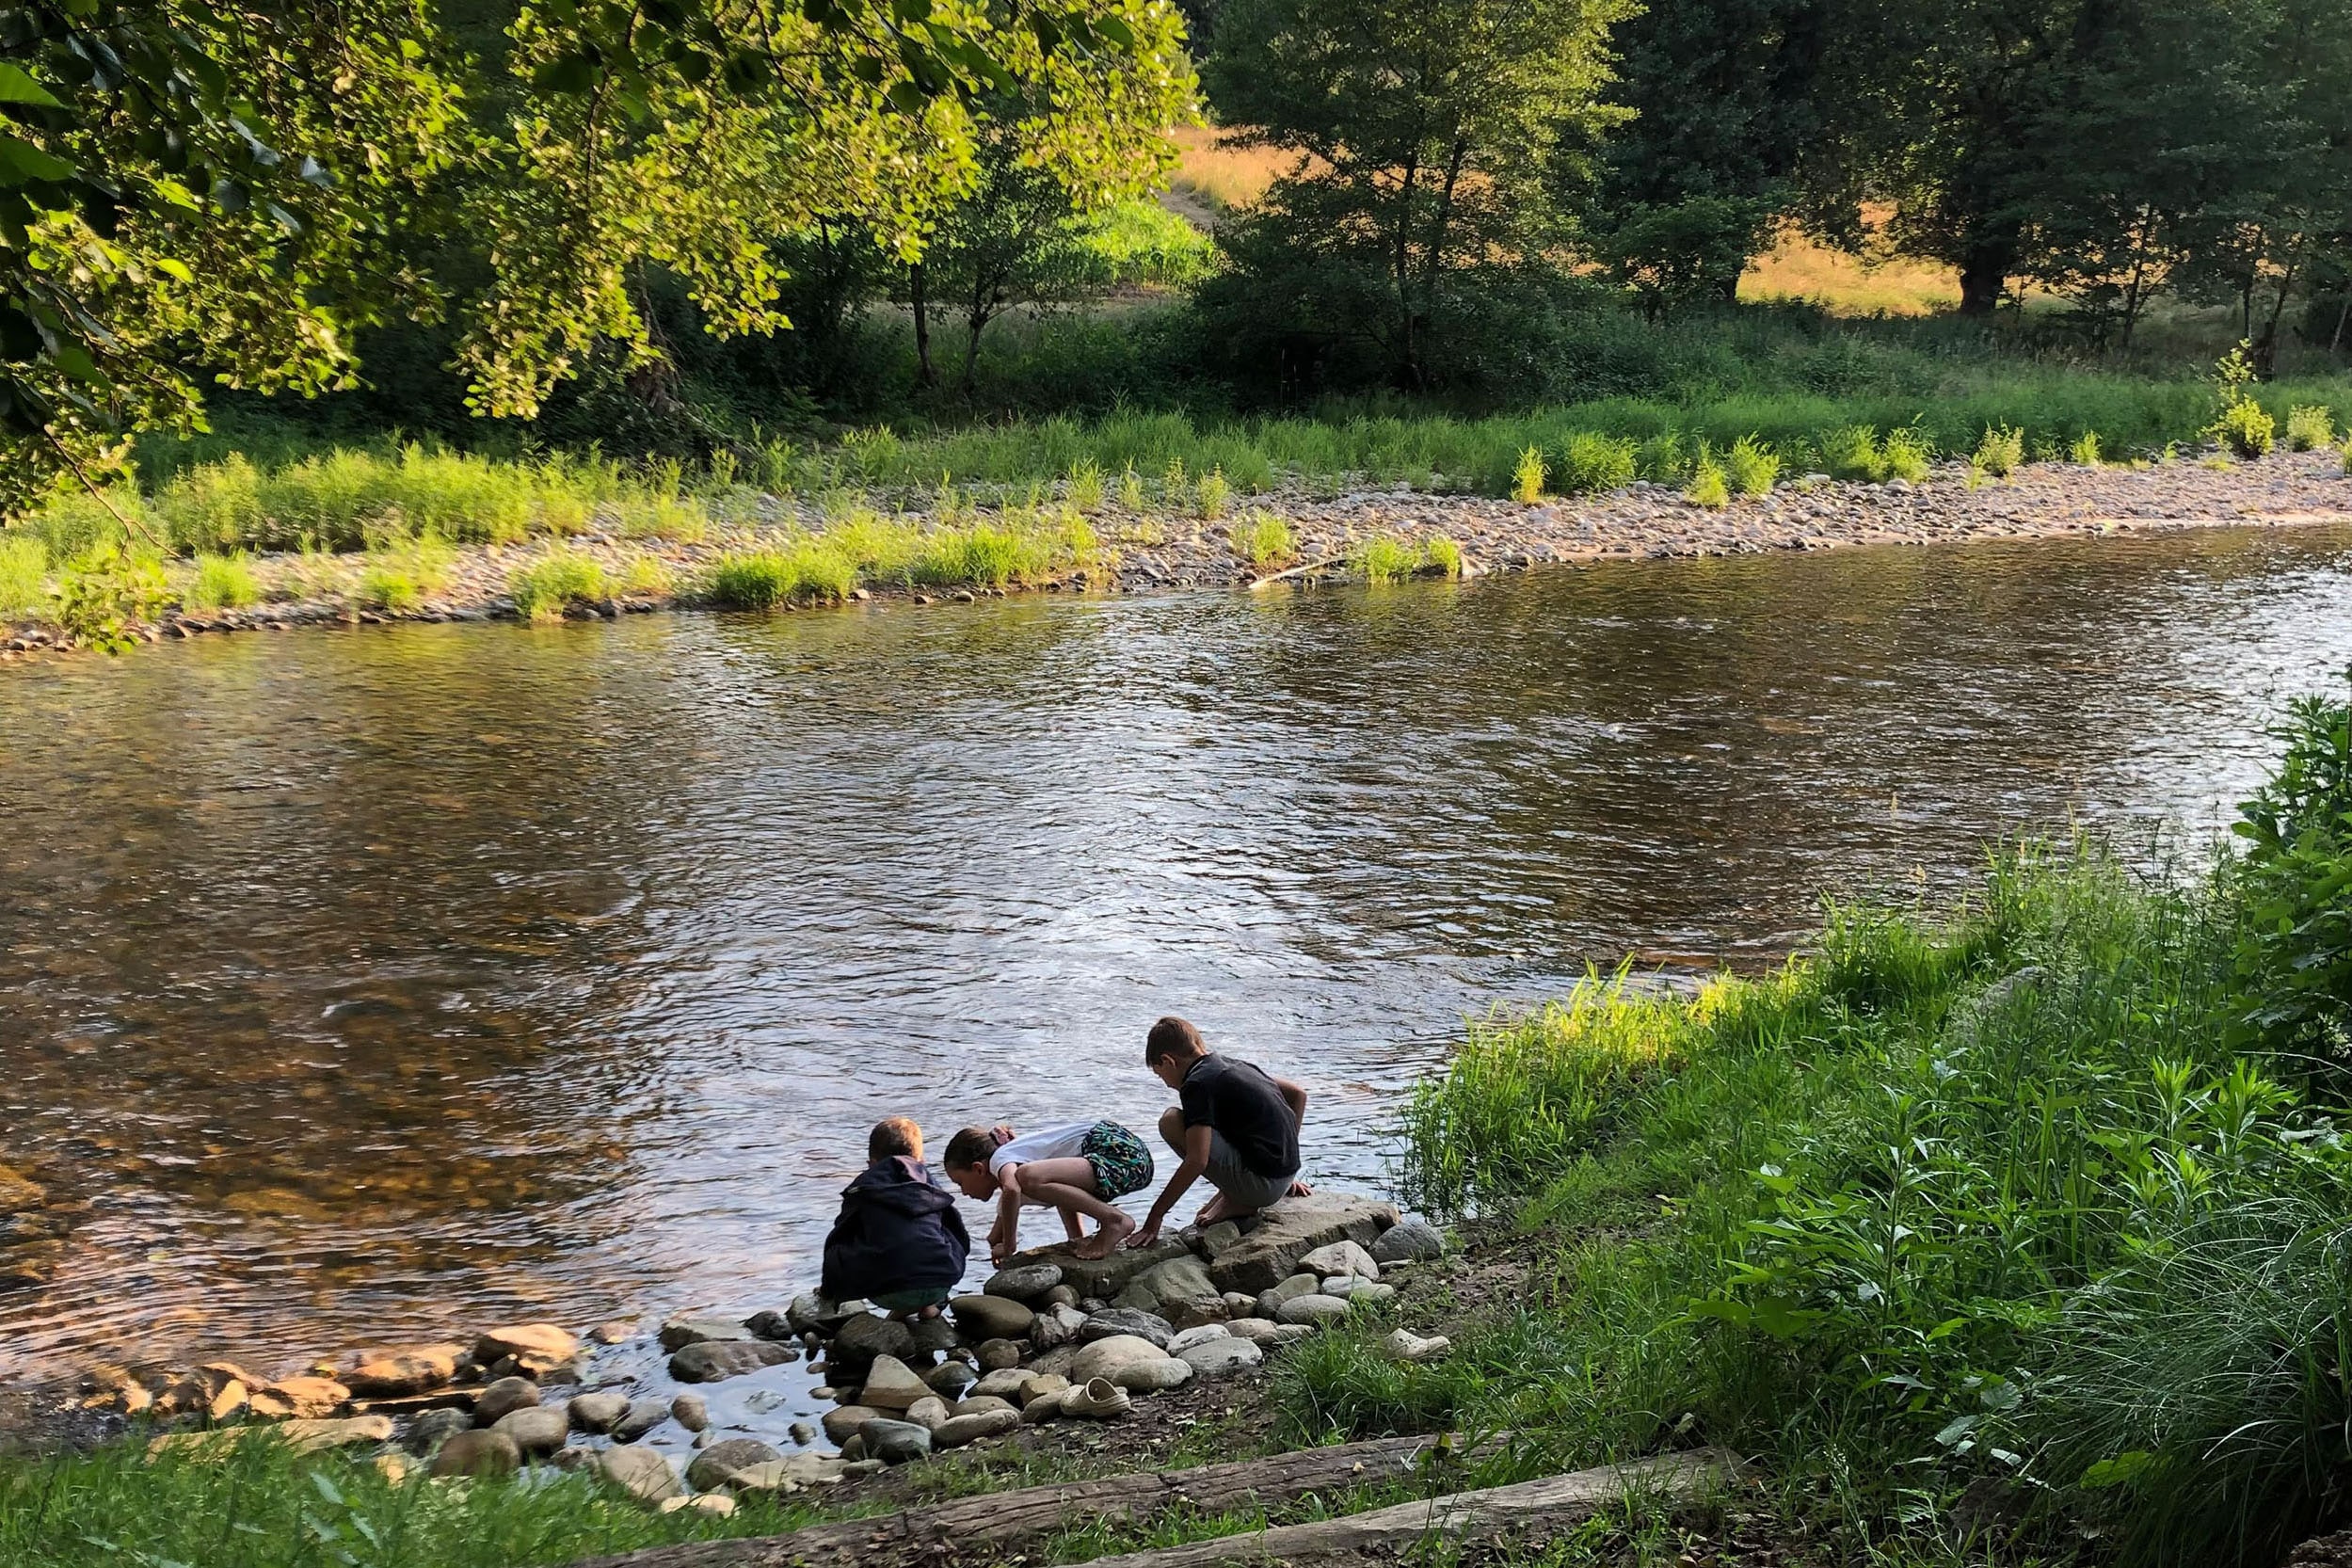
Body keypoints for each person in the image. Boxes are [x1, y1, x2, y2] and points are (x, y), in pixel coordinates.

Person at [1130, 1016, 1310, 1249]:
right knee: (1210, 1127)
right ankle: (1236, 1193)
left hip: (1263, 1189)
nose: (1165, 1083)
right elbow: (1297, 1095)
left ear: (1168, 1061)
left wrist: (1155, 1217)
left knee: (1170, 1121)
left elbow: (1197, 1161)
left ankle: (1239, 1200)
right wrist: (1284, 1162)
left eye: (1159, 1074)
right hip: (1284, 1174)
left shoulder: (1196, 1084)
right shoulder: (1234, 1066)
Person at [941, 1118, 1155, 1264]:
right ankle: (1078, 1237)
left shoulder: (1000, 1159)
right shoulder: (1022, 1161)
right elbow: (1063, 1196)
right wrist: (1076, 1240)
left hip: (1118, 1153)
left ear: (978, 1169)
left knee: (1027, 1176)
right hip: (1134, 1161)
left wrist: (1008, 1246)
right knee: (1037, 1180)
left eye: (960, 1182)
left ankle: (1116, 1221)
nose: (963, 1193)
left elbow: (1012, 1191)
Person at [819, 1116, 970, 1320]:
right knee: (945, 1232)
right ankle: (933, 1304)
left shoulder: (862, 1188)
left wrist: (829, 1289)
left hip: (885, 1292)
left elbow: (838, 1237)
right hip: (939, 1281)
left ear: (872, 1164)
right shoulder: (930, 1184)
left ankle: (900, 1308)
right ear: (921, 1161)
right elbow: (959, 1234)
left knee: (844, 1241)